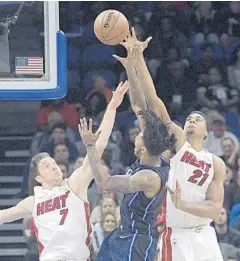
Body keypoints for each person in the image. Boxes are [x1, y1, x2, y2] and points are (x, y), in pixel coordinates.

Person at [118, 27, 226, 261]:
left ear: (206, 133)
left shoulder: (215, 163)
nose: (192, 119)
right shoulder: (179, 144)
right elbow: (154, 100)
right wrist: (138, 58)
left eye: (198, 119)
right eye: (189, 117)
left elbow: (215, 209)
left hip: (205, 235)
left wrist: (182, 203)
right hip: (176, 235)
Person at [0, 81, 129, 261]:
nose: (53, 166)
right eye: (46, 166)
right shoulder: (33, 201)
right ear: (38, 177)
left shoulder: (74, 184)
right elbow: (3, 217)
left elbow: (98, 147)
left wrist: (113, 107)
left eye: (53, 163)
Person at [79, 30, 176, 261]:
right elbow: (137, 103)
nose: (136, 134)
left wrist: (90, 147)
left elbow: (104, 184)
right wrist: (130, 66)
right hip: (123, 234)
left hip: (138, 240)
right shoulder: (153, 152)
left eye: (139, 135)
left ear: (143, 147)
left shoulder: (148, 177)